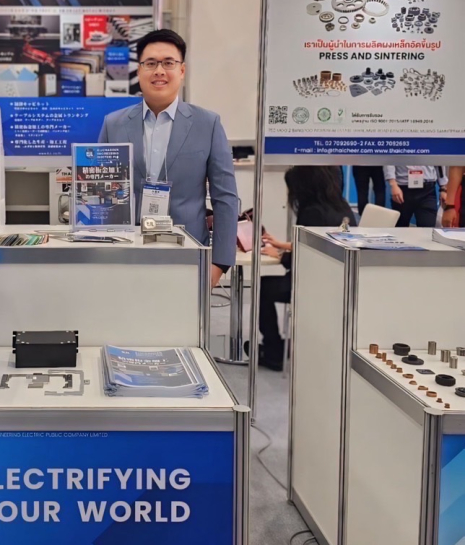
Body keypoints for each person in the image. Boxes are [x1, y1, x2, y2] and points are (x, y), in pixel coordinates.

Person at [98, 29, 238, 286]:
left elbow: (225, 197)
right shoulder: (113, 124)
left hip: (188, 255)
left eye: (168, 63)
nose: (159, 71)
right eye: (150, 63)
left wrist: (220, 263)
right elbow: (100, 194)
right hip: (124, 255)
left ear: (181, 70)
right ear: (139, 70)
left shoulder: (208, 124)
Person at [258, 166, 353, 370]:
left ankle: (273, 351)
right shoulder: (342, 208)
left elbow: (303, 258)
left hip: (311, 284)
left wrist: (280, 255)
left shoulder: (312, 212)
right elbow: (320, 245)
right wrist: (283, 245)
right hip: (337, 281)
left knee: (262, 287)